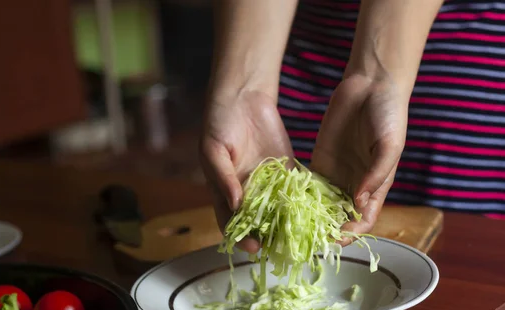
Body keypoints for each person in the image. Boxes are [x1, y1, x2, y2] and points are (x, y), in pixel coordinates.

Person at [200, 0, 505, 254]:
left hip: (457, 53)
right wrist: (245, 89)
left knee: (458, 266)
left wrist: (376, 77)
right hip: (300, 46)